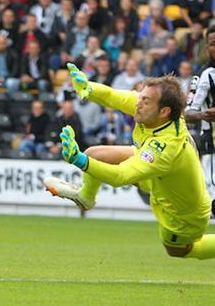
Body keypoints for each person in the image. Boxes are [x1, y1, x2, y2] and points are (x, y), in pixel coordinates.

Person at [44, 62, 214, 260]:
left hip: (184, 213)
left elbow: (121, 176)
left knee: (179, 251)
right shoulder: (153, 111)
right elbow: (113, 96)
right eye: (140, 96)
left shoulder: (166, 146)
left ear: (164, 111)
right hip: (160, 178)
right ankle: (85, 199)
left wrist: (78, 160)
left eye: (146, 100)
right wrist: (88, 88)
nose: (138, 103)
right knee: (94, 154)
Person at [185, 25, 215, 217]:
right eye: (213, 44)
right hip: (213, 144)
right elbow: (187, 112)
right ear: (207, 47)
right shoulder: (204, 75)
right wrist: (204, 115)